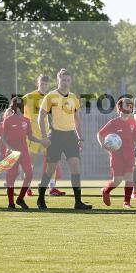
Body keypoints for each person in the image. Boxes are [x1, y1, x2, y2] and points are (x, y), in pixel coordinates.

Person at [37, 68, 91, 210]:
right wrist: (44, 137)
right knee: (50, 169)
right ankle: (40, 198)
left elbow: (77, 119)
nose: (65, 82)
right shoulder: (50, 96)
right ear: (58, 80)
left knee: (75, 165)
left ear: (70, 81)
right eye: (63, 79)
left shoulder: (73, 97)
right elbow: (40, 117)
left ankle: (78, 202)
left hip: (70, 136)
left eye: (68, 80)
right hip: (55, 136)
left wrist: (80, 138)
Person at [23, 74, 66, 198]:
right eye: (42, 84)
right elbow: (14, 106)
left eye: (46, 84)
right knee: (30, 163)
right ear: (38, 84)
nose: (44, 86)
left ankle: (51, 187)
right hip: (33, 136)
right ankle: (27, 187)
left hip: (47, 135)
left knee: (52, 160)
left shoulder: (50, 98)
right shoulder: (29, 97)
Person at [0, 96, 40, 210]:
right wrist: (9, 148)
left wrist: (41, 141)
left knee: (29, 174)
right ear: (12, 107)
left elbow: (30, 136)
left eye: (20, 105)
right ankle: (11, 203)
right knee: (11, 177)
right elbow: (3, 138)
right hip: (12, 152)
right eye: (16, 105)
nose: (18, 107)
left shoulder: (26, 120)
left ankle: (20, 199)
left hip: (24, 150)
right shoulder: (8, 120)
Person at [97, 97, 136, 208]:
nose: (129, 107)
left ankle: (127, 202)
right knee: (117, 180)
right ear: (120, 107)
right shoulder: (114, 122)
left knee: (130, 178)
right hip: (116, 156)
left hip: (129, 155)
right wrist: (103, 144)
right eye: (127, 105)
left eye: (131, 106)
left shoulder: (133, 122)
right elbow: (100, 134)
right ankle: (106, 191)